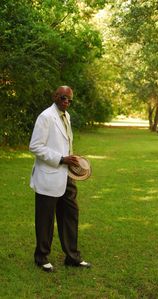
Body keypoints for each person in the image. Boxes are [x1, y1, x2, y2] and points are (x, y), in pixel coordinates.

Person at [29, 85, 91, 272]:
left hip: (67, 176)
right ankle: (41, 257)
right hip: (49, 176)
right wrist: (61, 159)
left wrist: (72, 162)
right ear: (55, 96)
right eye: (63, 98)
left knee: (71, 216)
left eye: (70, 100)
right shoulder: (45, 117)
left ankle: (72, 257)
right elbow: (35, 146)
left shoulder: (67, 116)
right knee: (45, 220)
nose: (66, 102)